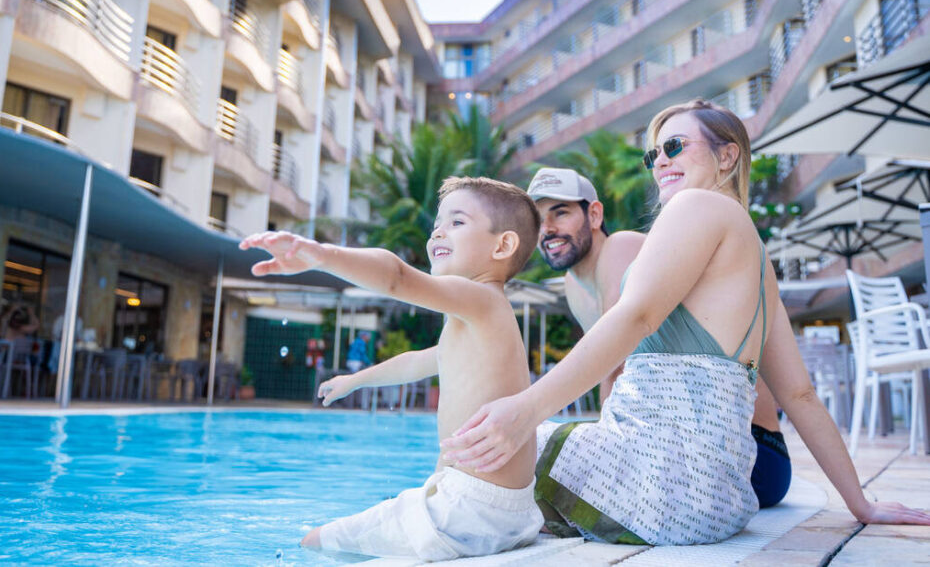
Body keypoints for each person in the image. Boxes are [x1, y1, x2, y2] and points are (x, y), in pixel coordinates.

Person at [441, 100, 930, 545]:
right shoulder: (757, 260)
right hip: (716, 504)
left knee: (483, 451)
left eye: (675, 146)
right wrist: (859, 504)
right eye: (653, 155)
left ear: (727, 157)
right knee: (507, 460)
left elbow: (637, 315)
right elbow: (799, 394)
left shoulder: (697, 206)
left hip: (658, 487)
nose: (661, 162)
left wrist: (526, 409)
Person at [239, 176, 545, 561]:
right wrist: (355, 380)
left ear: (502, 245)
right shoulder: (482, 321)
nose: (438, 231)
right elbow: (417, 361)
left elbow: (396, 276)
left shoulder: (482, 299)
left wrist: (322, 255)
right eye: (438, 223)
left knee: (314, 541)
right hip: (507, 513)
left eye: (457, 222)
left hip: (465, 511)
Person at [527, 167, 791, 508]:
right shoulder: (573, 284)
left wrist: (607, 454)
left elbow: (615, 364)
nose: (547, 229)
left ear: (593, 214)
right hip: (682, 446)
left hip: (748, 454)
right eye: (537, 220)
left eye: (560, 213)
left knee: (536, 458)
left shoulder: (619, 249)